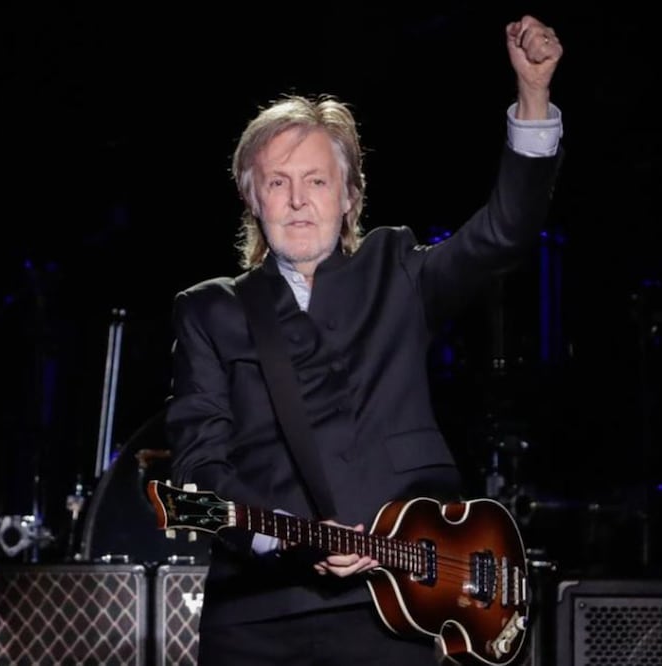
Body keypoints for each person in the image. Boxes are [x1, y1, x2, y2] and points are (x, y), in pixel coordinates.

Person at [166, 14, 564, 666]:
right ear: (252, 200)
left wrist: (533, 97)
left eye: (316, 181)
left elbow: (502, 234)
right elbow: (195, 485)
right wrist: (288, 539)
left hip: (397, 608)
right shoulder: (209, 310)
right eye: (277, 183)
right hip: (259, 617)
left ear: (349, 196)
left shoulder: (397, 267)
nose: (297, 202)